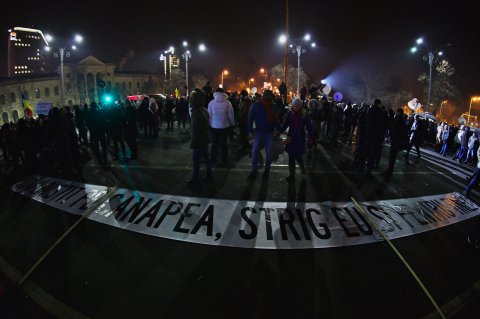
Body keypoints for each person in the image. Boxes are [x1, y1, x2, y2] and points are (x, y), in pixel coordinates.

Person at [248, 89, 280, 178]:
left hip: (268, 133)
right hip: (260, 133)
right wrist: (250, 131)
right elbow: (250, 118)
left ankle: (266, 170)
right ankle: (256, 170)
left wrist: (278, 129)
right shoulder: (256, 106)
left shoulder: (271, 106)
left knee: (267, 154)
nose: (270, 101)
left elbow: (276, 119)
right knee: (255, 152)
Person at [281, 98, 313, 182]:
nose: (296, 107)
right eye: (295, 105)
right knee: (291, 157)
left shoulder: (304, 115)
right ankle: (292, 175)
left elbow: (309, 127)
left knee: (298, 156)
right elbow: (285, 125)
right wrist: (278, 131)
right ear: (292, 105)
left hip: (300, 138)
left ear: (300, 106)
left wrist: (311, 137)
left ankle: (302, 168)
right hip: (291, 137)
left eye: (298, 105)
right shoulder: (289, 114)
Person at [187, 89, 212, 186]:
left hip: (198, 139)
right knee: (206, 158)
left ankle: (195, 178)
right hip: (204, 138)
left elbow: (195, 129)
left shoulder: (196, 112)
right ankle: (209, 175)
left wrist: (193, 142)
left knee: (196, 159)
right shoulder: (203, 109)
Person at [208, 88, 235, 165]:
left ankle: (213, 158)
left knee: (214, 143)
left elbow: (209, 115)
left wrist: (209, 124)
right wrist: (232, 123)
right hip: (224, 126)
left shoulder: (211, 103)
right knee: (224, 144)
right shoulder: (227, 103)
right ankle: (224, 159)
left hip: (214, 126)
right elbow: (231, 115)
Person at [385, 108, 408, 176]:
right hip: (398, 141)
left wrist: (391, 136)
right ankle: (389, 171)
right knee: (393, 157)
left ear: (398, 112)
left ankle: (389, 172)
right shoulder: (403, 120)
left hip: (395, 141)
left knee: (392, 157)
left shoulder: (398, 118)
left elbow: (394, 129)